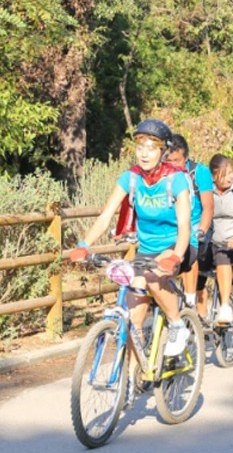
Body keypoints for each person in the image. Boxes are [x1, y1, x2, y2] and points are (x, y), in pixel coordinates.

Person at [69, 119, 195, 356]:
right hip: (147, 249)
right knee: (133, 320)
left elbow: (184, 225)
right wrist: (84, 245)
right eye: (140, 147)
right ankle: (132, 382)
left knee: (153, 276)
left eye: (151, 148)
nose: (144, 154)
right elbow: (106, 215)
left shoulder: (175, 179)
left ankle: (178, 325)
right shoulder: (131, 177)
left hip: (177, 245)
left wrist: (176, 255)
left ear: (163, 151)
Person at [197, 154, 233, 324]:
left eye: (230, 173)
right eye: (223, 175)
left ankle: (225, 307)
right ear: (213, 177)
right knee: (197, 269)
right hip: (209, 240)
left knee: (222, 254)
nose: (229, 178)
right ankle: (201, 320)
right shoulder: (206, 186)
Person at [168, 134, 214, 314]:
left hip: (197, 224)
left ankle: (189, 298)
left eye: (177, 160)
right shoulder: (164, 175)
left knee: (189, 242)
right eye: (169, 160)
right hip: (174, 225)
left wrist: (201, 229)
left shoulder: (199, 173)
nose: (173, 165)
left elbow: (208, 207)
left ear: (186, 158)